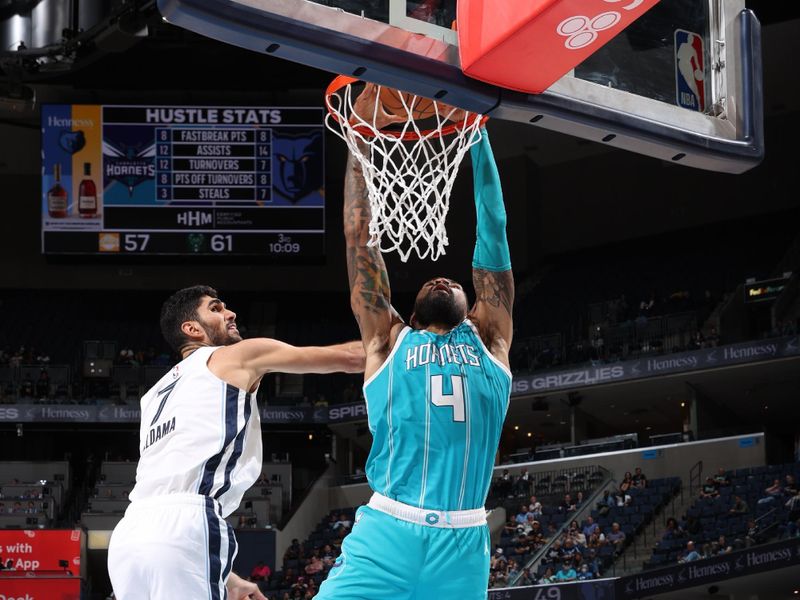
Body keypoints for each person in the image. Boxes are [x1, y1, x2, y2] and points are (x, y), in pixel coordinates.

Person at [316, 84, 513, 600]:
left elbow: (493, 227)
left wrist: (480, 138)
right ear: (414, 304)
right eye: (430, 282)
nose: (441, 280)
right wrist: (358, 146)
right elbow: (360, 238)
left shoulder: (490, 340)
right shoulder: (386, 341)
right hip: (388, 531)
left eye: (451, 281)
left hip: (464, 538)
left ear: (475, 301)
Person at [107, 285, 364, 600]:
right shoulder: (235, 355)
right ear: (192, 329)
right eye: (215, 309)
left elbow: (167, 513)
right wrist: (408, 344)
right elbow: (350, 358)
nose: (230, 313)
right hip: (186, 522)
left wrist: (229, 580)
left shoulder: (153, 395)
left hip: (129, 536)